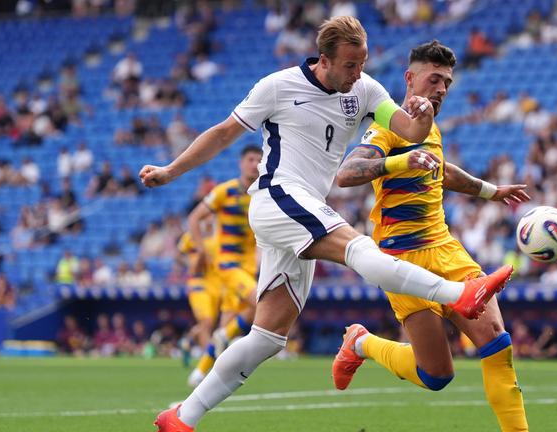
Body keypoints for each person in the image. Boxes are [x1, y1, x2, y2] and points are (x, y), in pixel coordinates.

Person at [144, 17, 513, 431]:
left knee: (266, 338)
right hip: (277, 196)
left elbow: (411, 131)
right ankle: (460, 294)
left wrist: (423, 114)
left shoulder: (366, 89)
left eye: (363, 64)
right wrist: (170, 171)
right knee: (360, 250)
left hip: (302, 212)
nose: (358, 75)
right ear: (325, 60)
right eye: (351, 66)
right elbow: (224, 132)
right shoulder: (278, 86)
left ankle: (181, 416)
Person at [330, 40, 530, 431]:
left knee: (495, 342)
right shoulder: (387, 128)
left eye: (447, 83)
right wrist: (401, 160)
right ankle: (360, 342)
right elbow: (346, 173)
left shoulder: (432, 128)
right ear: (410, 78)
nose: (441, 89)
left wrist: (491, 191)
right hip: (400, 263)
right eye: (434, 79)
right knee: (436, 375)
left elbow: (443, 170)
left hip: (445, 250)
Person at [183, 145, 263, 387]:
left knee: (227, 324)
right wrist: (201, 250)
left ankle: (200, 372)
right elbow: (195, 218)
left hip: (249, 268)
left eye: (259, 160)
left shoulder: (264, 194)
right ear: (241, 163)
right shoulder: (224, 191)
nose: (255, 164)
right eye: (250, 159)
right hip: (228, 266)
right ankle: (223, 339)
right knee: (262, 302)